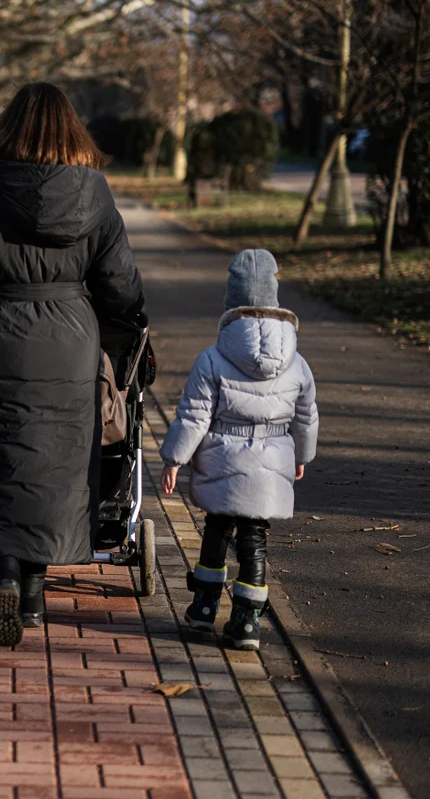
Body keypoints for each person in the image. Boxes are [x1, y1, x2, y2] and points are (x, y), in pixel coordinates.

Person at [0, 82, 145, 647]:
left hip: (0, 336)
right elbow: (119, 288)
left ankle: (6, 575)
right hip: (71, 339)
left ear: (5, 130)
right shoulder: (98, 198)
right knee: (57, 465)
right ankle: (34, 595)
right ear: (74, 133)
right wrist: (126, 340)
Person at [159, 249, 319, 650]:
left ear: (231, 301)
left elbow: (195, 414)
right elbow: (306, 415)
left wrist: (174, 459)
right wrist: (302, 455)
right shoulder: (296, 361)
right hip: (274, 455)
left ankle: (204, 608)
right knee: (255, 537)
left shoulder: (212, 358)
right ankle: (247, 621)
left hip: (223, 457)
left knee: (217, 529)